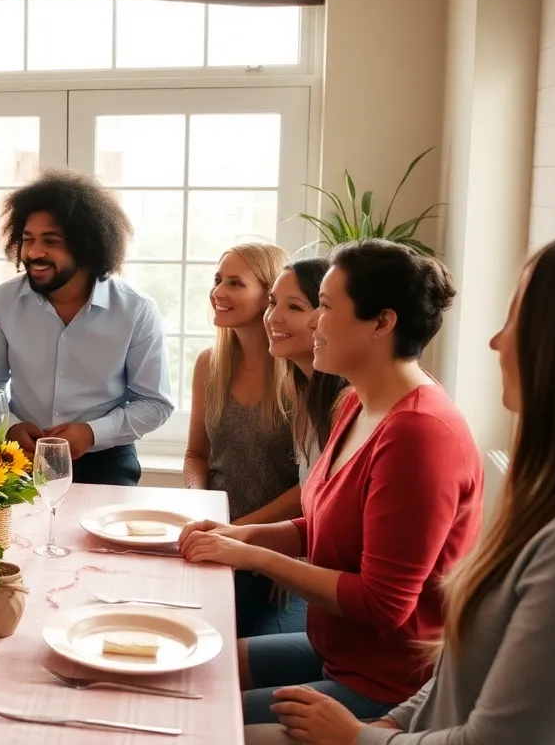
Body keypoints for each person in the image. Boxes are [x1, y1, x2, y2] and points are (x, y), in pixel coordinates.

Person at [245, 235, 555, 745]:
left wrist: (362, 736)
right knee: (194, 678)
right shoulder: (550, 498)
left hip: (376, 680)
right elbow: (456, 667)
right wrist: (398, 723)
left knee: (200, 720)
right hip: (373, 683)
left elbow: (495, 734)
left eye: (516, 318)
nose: (496, 343)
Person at [179, 239, 483, 725]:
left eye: (323, 306)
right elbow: (317, 522)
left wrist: (255, 557)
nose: (314, 322)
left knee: (188, 720)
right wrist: (238, 536)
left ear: (382, 323)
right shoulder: (355, 403)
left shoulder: (420, 433)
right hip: (334, 649)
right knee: (178, 666)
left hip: (385, 682)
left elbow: (384, 604)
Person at [0, 168, 175, 485]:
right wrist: (8, 425)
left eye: (51, 241)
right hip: (18, 457)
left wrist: (92, 433)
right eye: (28, 240)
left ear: (87, 246)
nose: (35, 252)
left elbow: (155, 404)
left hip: (105, 461)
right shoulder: (3, 301)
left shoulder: (136, 310)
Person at [182, 242, 304, 638]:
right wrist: (203, 505)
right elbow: (195, 454)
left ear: (269, 297)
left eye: (235, 283)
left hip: (278, 557)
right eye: (218, 280)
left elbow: (311, 487)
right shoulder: (208, 364)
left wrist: (236, 531)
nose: (218, 292)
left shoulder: (302, 376)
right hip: (217, 547)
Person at [263, 258, 349, 484]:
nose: (273, 317)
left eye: (294, 307)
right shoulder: (303, 395)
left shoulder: (346, 404)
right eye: (272, 303)